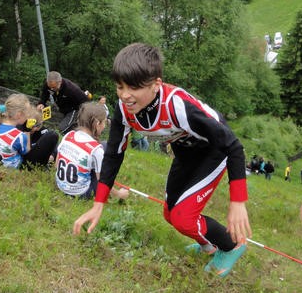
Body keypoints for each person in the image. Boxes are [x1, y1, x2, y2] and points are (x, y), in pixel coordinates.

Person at [73, 43, 252, 278]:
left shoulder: (177, 105)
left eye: (134, 87)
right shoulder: (124, 109)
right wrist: (99, 204)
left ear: (156, 84)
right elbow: (114, 153)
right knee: (170, 214)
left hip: (215, 151)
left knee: (183, 217)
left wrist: (237, 202)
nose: (125, 95)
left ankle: (232, 245)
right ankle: (209, 246)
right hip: (186, 153)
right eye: (120, 86)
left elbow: (233, 145)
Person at [55, 102, 129, 201]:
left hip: (61, 186)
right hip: (82, 194)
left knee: (104, 145)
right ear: (97, 124)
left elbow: (57, 164)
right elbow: (103, 182)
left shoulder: (69, 135)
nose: (105, 126)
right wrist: (119, 194)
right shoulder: (96, 149)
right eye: (104, 122)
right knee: (104, 148)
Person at [0, 94, 33, 169]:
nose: (28, 115)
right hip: (10, 168)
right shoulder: (20, 136)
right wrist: (28, 131)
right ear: (19, 114)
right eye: (28, 112)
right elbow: (26, 151)